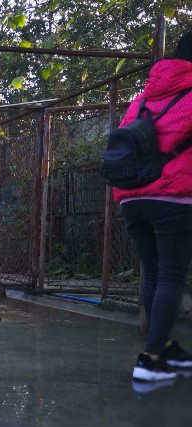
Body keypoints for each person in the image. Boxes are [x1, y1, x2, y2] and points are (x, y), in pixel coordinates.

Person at [115, 30, 192, 383]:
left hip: (132, 197)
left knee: (155, 272)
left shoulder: (141, 100)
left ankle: (161, 347)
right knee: (172, 275)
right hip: (173, 197)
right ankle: (152, 358)